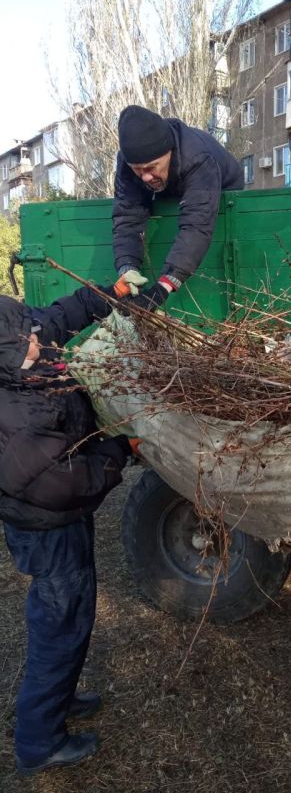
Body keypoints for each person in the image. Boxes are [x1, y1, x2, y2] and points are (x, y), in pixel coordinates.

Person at [0, 281, 146, 776]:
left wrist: (111, 292)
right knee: (60, 626)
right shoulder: (14, 417)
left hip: (57, 521)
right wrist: (121, 450)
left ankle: (59, 699)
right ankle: (39, 743)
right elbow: (67, 484)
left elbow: (62, 314)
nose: (38, 339)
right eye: (27, 340)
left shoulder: (21, 347)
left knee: (72, 615)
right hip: (47, 528)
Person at [113, 104, 244, 298]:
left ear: (169, 152)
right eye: (138, 170)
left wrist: (163, 287)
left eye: (151, 167)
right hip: (173, 187)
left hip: (222, 188)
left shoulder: (197, 157)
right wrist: (127, 269)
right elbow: (127, 215)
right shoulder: (127, 162)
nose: (145, 177)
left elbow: (197, 224)